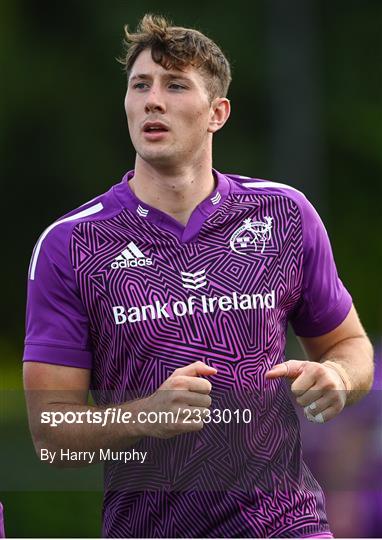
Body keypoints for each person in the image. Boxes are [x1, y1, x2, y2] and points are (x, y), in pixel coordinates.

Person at [23, 14, 374, 538]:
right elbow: (51, 434)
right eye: (140, 84)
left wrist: (340, 377)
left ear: (217, 113)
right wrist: (143, 415)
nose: (152, 100)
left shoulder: (284, 214)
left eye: (175, 85)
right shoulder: (70, 245)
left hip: (285, 524)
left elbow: (349, 344)